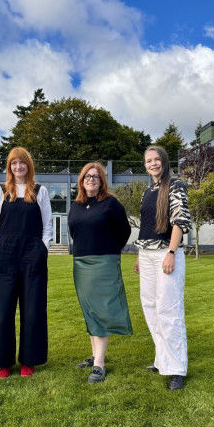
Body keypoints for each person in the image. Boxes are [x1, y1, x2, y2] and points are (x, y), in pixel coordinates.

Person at [0, 147, 53, 378]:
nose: (18, 167)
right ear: (9, 166)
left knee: (33, 310)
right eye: (14, 163)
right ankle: (2, 362)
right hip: (4, 255)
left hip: (33, 254)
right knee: (2, 311)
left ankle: (29, 360)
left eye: (22, 163)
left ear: (28, 165)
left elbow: (47, 224)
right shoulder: (0, 190)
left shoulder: (39, 191)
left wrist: (43, 248)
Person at [133, 145, 192, 390]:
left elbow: (180, 219)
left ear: (164, 161)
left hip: (166, 253)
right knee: (151, 307)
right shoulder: (148, 191)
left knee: (169, 310)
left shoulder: (176, 185)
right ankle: (162, 359)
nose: (153, 164)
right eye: (149, 161)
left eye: (157, 159)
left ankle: (176, 368)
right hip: (146, 254)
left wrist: (171, 252)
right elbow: (145, 225)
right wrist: (139, 255)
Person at [68, 162, 132, 383]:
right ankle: (95, 354)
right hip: (81, 264)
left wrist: (110, 249)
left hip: (104, 263)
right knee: (89, 309)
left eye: (96, 176)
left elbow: (125, 230)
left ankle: (100, 364)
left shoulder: (111, 203)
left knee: (101, 309)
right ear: (82, 180)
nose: (91, 179)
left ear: (102, 180)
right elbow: (74, 231)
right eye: (87, 175)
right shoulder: (76, 205)